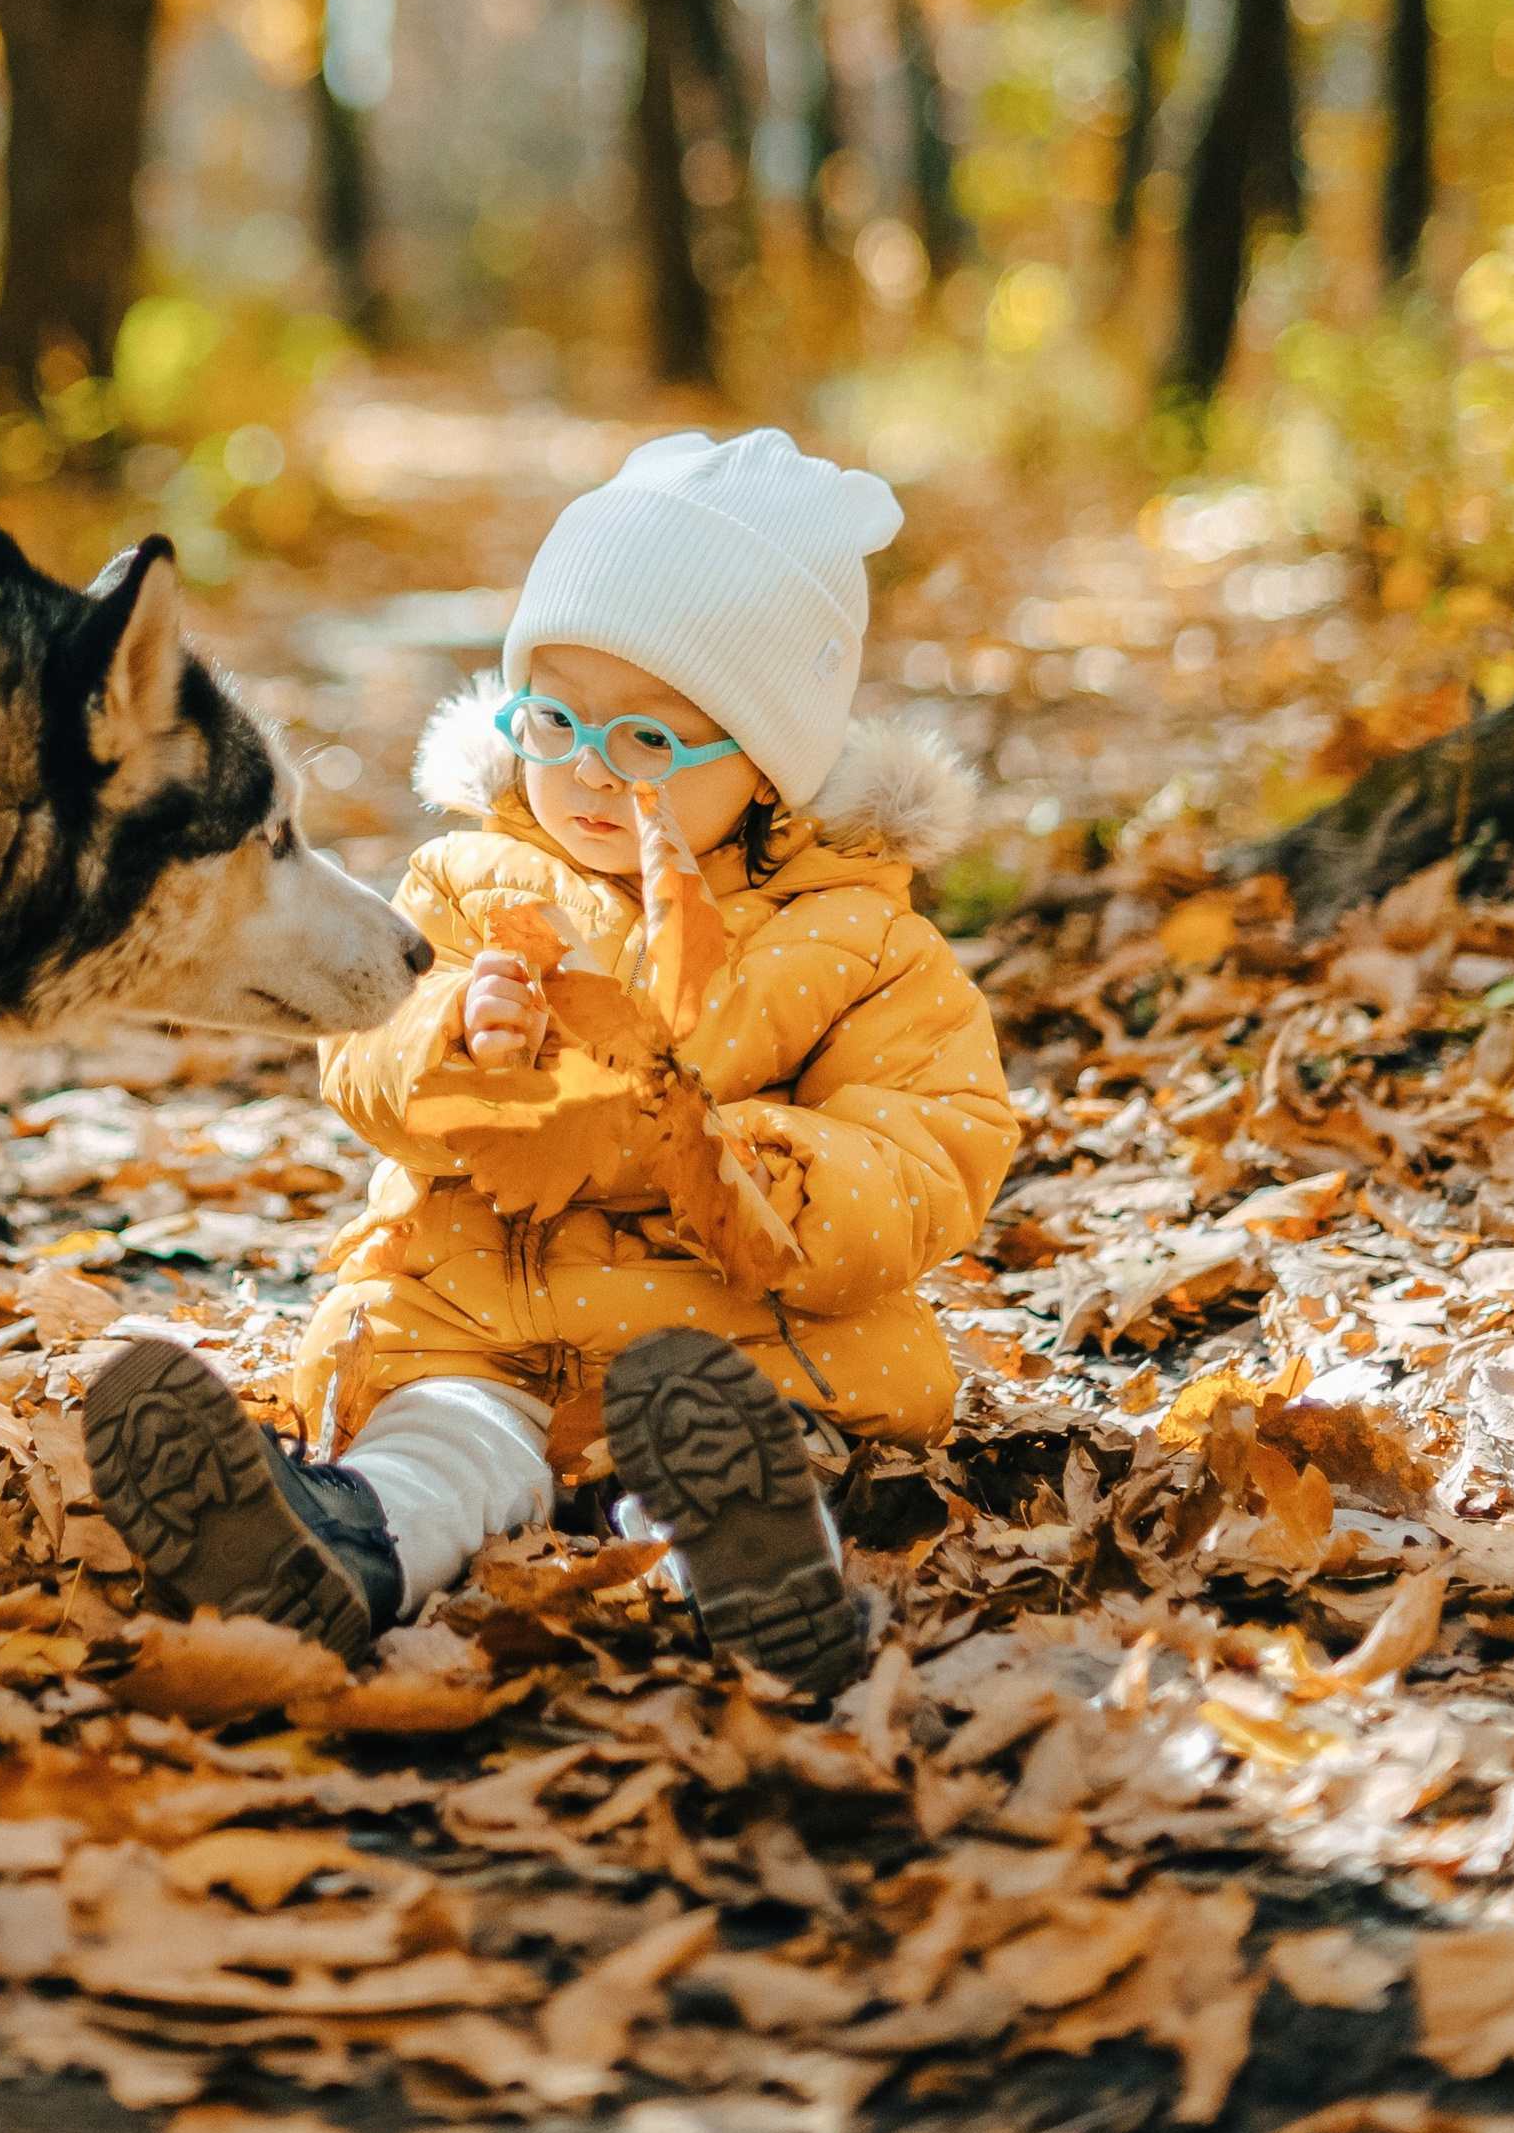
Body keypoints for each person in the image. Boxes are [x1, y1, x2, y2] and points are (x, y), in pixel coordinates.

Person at [85, 427, 1018, 1693]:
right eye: (556, 715)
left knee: (736, 1442)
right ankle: (329, 1552)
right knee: (437, 1445)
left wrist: (721, 1160)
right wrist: (455, 1040)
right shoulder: (468, 884)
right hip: (482, 1322)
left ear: (769, 760)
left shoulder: (861, 942)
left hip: (728, 1339)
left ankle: (750, 1571)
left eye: (649, 741)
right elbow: (361, 1061)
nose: (585, 768)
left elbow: (928, 1153)